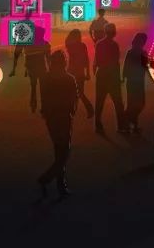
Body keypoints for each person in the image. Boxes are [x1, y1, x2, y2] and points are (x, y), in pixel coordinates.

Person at [37, 51, 78, 198]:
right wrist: (72, 111)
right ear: (64, 62)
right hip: (64, 117)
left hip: (52, 118)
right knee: (64, 152)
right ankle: (49, 179)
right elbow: (73, 99)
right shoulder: (69, 79)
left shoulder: (46, 79)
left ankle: (60, 184)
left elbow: (44, 99)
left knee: (59, 150)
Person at [93, 22, 125, 134]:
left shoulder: (99, 43)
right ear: (114, 32)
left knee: (100, 101)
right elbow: (116, 62)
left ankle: (97, 124)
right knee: (118, 102)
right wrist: (118, 77)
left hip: (102, 74)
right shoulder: (114, 45)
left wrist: (96, 70)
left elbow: (97, 60)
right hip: (112, 75)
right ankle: (121, 126)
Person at [10, 27, 49, 113]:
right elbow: (48, 58)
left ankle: (33, 105)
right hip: (41, 67)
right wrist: (50, 70)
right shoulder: (45, 43)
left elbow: (16, 54)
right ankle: (43, 107)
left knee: (33, 86)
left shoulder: (26, 42)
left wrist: (14, 68)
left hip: (31, 67)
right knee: (42, 87)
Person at [122, 33, 151, 134]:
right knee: (136, 104)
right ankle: (129, 124)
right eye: (143, 40)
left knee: (136, 104)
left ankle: (129, 123)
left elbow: (127, 66)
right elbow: (145, 67)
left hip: (135, 81)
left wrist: (124, 77)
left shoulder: (136, 52)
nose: (144, 42)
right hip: (135, 81)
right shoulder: (138, 53)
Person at [64, 29, 94, 119]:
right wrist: (87, 72)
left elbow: (85, 59)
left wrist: (87, 72)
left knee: (76, 92)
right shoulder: (81, 46)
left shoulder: (71, 45)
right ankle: (82, 109)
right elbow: (86, 59)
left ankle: (83, 109)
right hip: (77, 71)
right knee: (79, 92)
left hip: (73, 71)